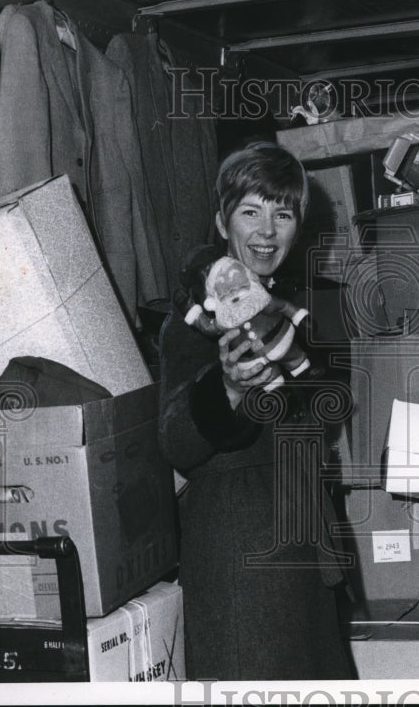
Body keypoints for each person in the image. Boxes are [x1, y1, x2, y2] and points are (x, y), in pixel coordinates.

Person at [158, 142, 355, 681]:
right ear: (223, 223)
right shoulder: (192, 322)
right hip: (242, 563)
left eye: (282, 214)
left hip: (303, 552)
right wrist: (229, 388)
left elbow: (323, 416)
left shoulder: (288, 314)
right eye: (251, 211)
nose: (267, 231)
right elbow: (175, 441)